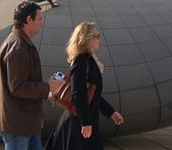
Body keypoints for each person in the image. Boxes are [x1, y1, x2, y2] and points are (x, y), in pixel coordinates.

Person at [0, 2, 62, 150]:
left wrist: (47, 90)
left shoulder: (20, 43)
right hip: (17, 123)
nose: (42, 22)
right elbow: (18, 87)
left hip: (27, 121)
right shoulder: (18, 47)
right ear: (28, 20)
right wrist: (47, 87)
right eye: (39, 19)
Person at [45, 22, 124, 150]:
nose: (99, 38)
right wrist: (85, 122)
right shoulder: (81, 61)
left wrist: (111, 112)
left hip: (84, 122)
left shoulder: (88, 59)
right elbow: (79, 93)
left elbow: (92, 94)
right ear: (88, 39)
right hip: (79, 124)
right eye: (96, 35)